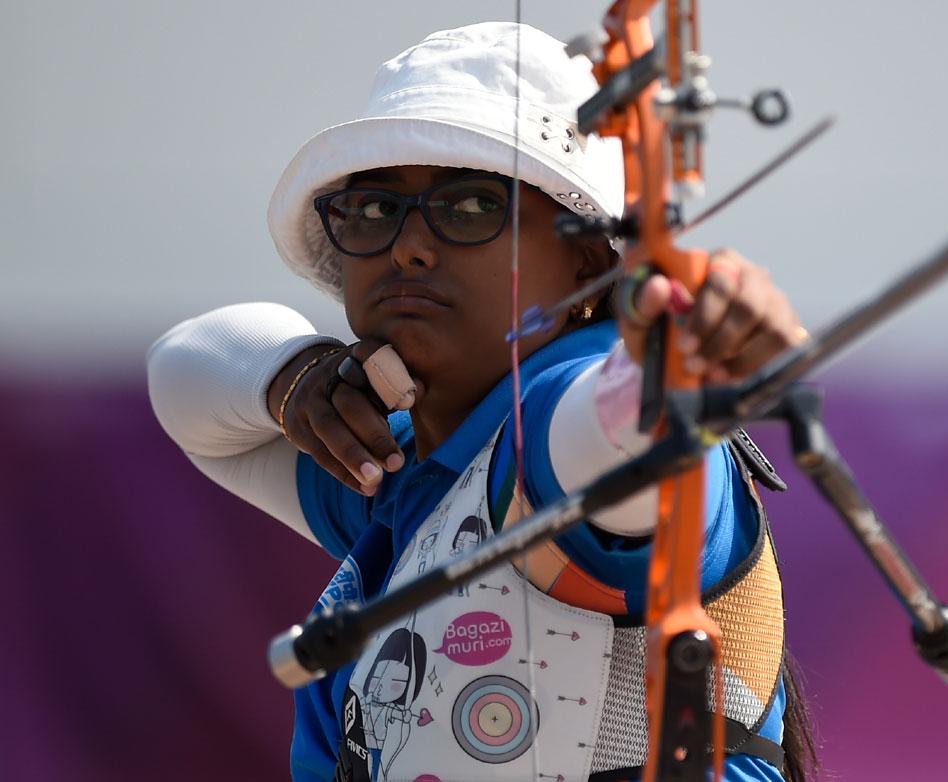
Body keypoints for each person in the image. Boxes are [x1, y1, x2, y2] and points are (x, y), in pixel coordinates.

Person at [147, 21, 816, 782]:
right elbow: (183, 380)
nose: (408, 247)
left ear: (589, 261)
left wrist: (670, 370)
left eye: (469, 208)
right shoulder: (395, 469)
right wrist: (293, 376)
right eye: (372, 211)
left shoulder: (562, 422)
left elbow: (605, 444)